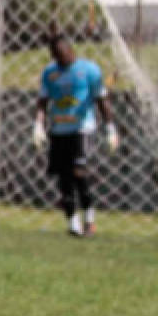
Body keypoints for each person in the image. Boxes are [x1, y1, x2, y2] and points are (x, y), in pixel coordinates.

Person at [32, 35, 118, 238]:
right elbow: (43, 101)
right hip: (58, 131)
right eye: (56, 56)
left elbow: (102, 100)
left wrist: (110, 128)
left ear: (71, 50)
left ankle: (90, 220)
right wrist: (38, 125)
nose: (60, 60)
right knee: (64, 180)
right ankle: (73, 224)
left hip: (82, 129)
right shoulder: (50, 73)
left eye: (63, 54)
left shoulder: (89, 70)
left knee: (80, 173)